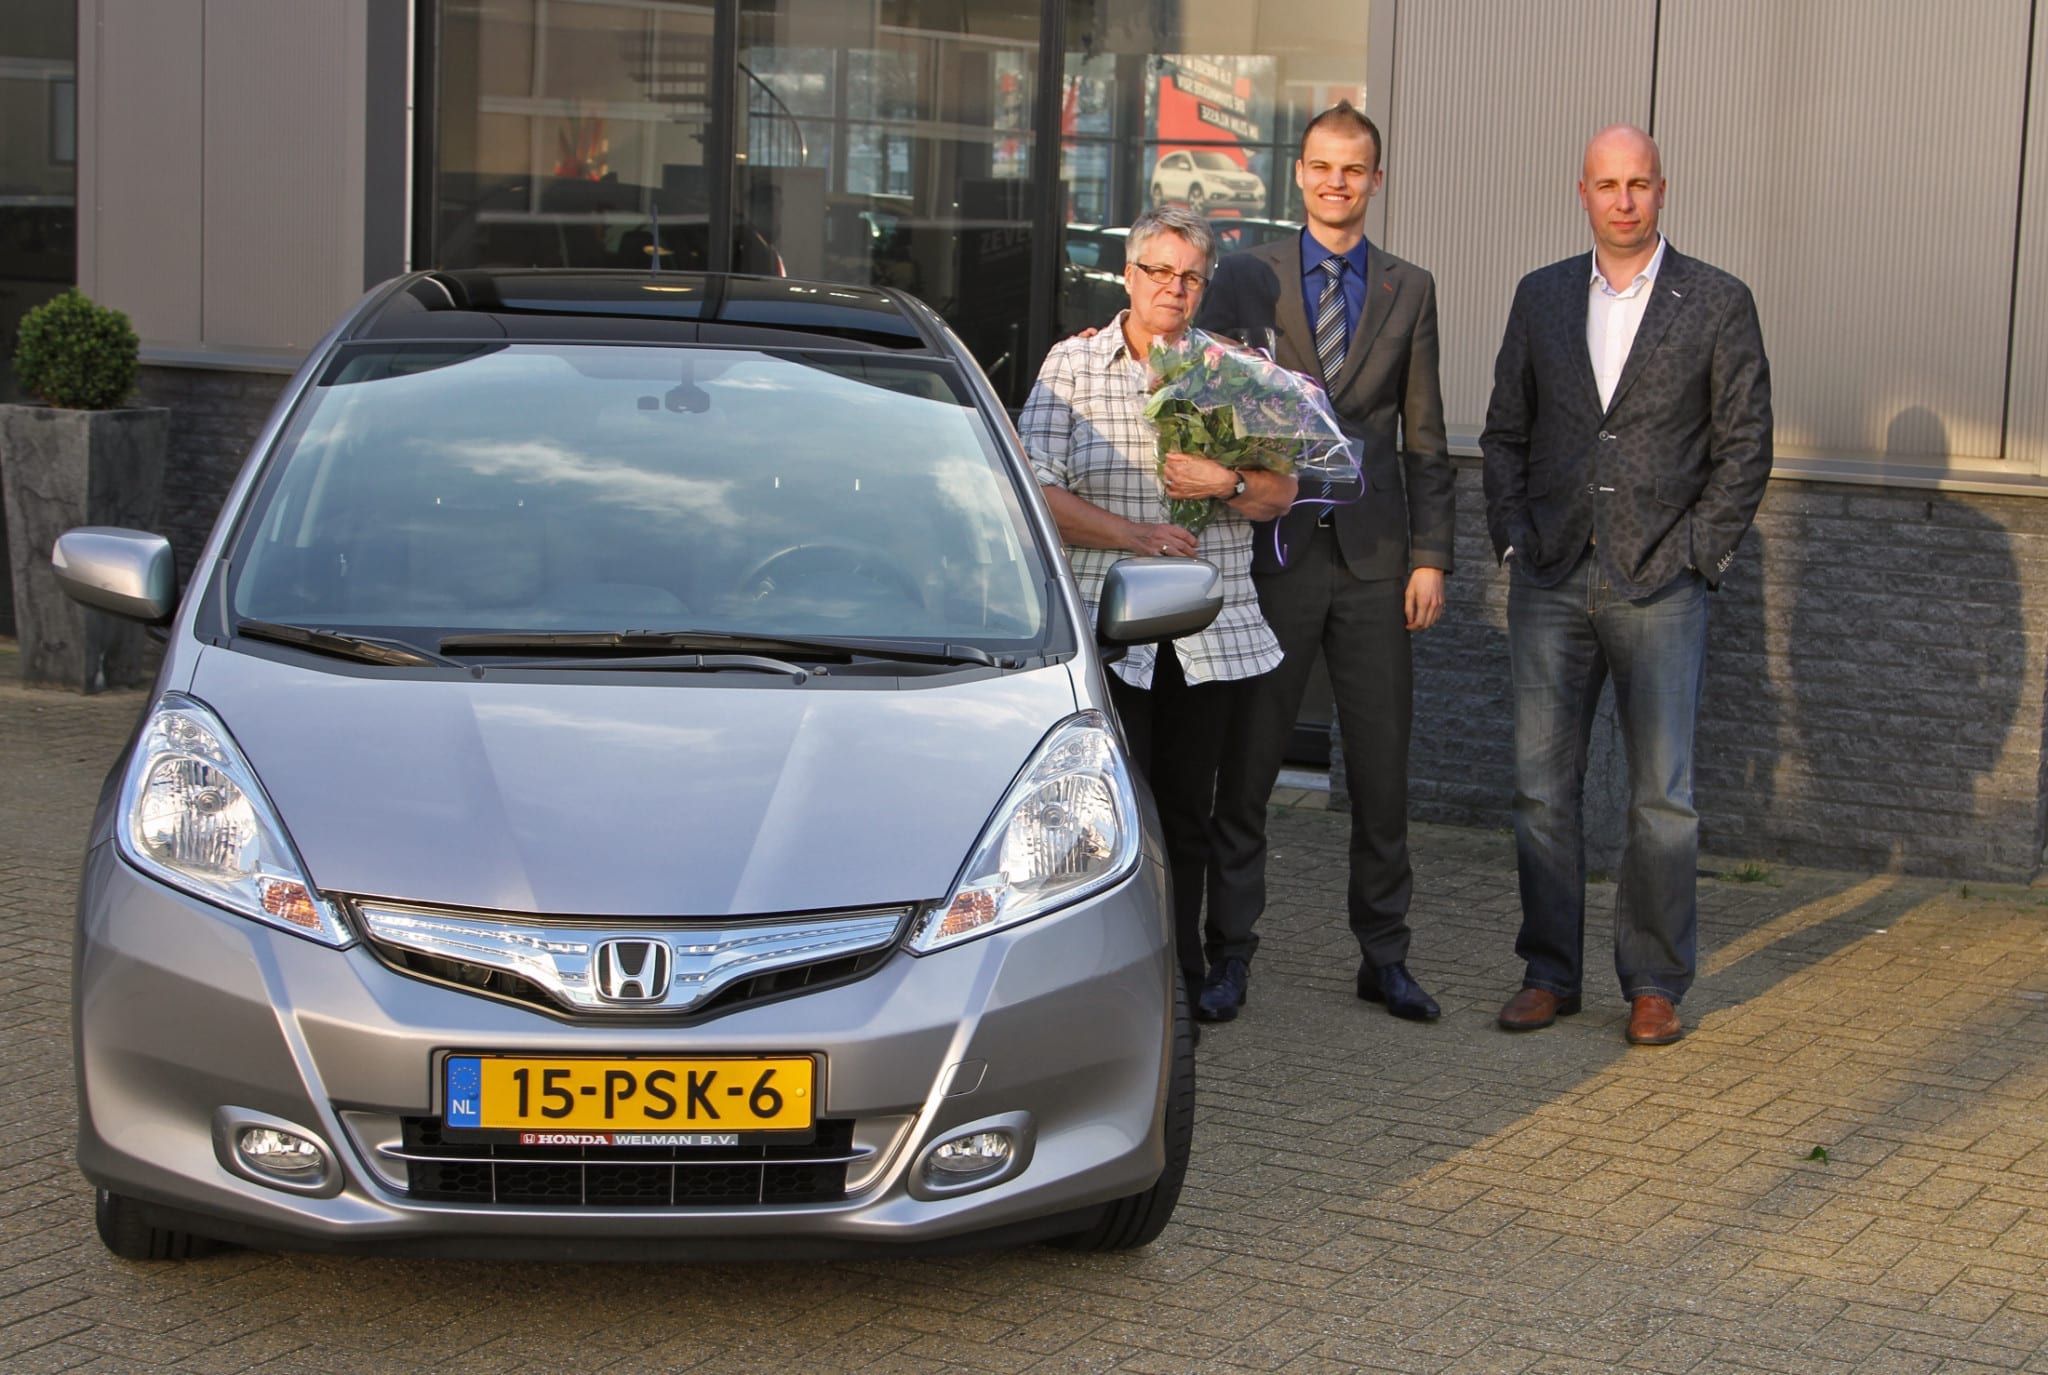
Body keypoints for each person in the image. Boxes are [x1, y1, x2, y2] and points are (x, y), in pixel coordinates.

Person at [1480, 124, 1772, 1046]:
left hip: (1661, 584)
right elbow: (1505, 432)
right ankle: (1548, 972)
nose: (1623, 200)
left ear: (1661, 189)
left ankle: (1653, 981)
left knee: (1661, 798)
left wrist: (1698, 552)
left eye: (1638, 183)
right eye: (1607, 184)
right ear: (1583, 192)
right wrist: (1513, 535)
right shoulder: (1541, 295)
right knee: (1541, 789)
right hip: (1552, 574)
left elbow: (1745, 444)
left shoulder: (1717, 301)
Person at [1192, 103, 1455, 1024]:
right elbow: (1205, 398)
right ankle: (1229, 954)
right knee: (1249, 767)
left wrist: (1432, 557)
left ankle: (1385, 956)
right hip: (1276, 554)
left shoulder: (1410, 288)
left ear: (1376, 179)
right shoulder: (1246, 276)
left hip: (1378, 561)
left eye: (1354, 169)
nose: (1336, 182)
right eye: (1321, 166)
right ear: (1299, 173)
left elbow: (1426, 437)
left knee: (1381, 773)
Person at [1019, 205, 1299, 1006]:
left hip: (1206, 634)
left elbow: (1281, 493)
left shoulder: (1232, 371)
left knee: (1187, 812)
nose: (1174, 288)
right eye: (1160, 272)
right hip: (1105, 631)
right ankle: (1093, 986)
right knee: (1096, 816)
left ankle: (1180, 979)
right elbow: (1034, 491)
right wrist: (1133, 535)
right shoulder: (1073, 364)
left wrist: (1227, 481)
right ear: (1129, 275)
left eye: (1191, 277)